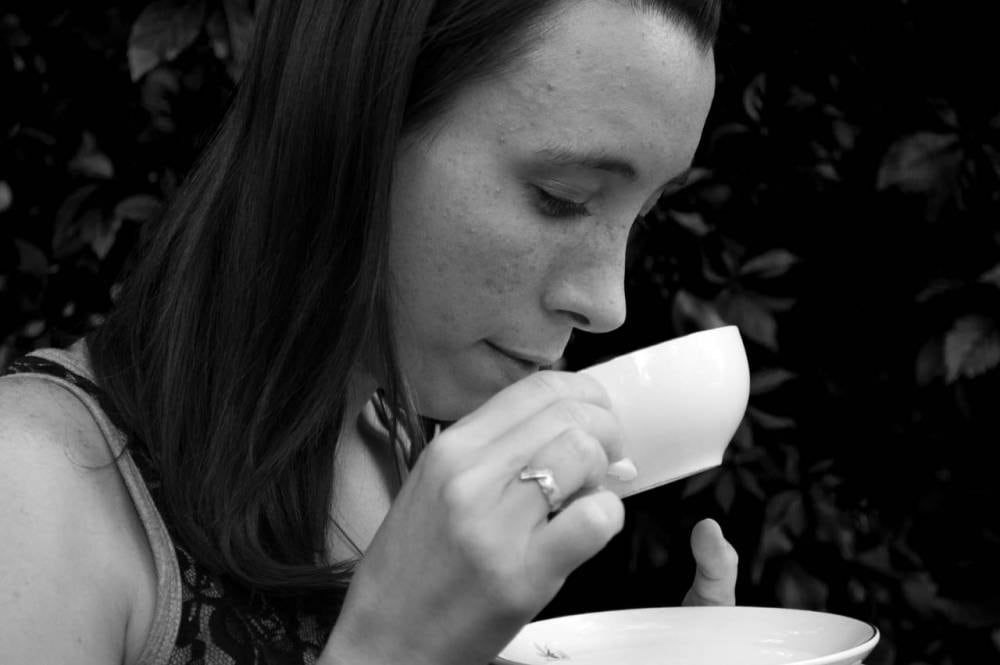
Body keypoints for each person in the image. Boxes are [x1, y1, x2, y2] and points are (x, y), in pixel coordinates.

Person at [0, 0, 738, 663]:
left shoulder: (397, 442)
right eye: (562, 198)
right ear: (351, 123)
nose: (608, 304)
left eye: (641, 217)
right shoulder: (31, 490)